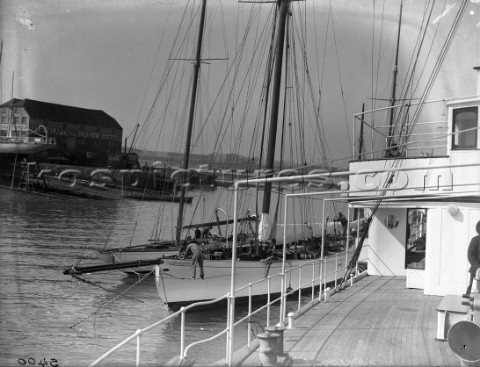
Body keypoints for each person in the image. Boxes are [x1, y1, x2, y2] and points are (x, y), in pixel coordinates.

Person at [466, 221, 480, 295]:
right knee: (473, 288)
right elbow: (471, 255)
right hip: (476, 271)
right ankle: (468, 305)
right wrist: (478, 267)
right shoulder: (475, 240)